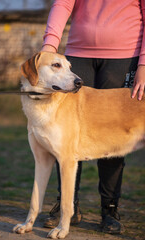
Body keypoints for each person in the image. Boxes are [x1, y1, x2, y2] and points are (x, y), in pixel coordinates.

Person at [41, 0, 145, 234]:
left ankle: (109, 209)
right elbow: (63, 3)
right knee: (63, 139)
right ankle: (68, 206)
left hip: (124, 57)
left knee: (114, 135)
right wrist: (50, 44)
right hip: (78, 55)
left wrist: (144, 62)